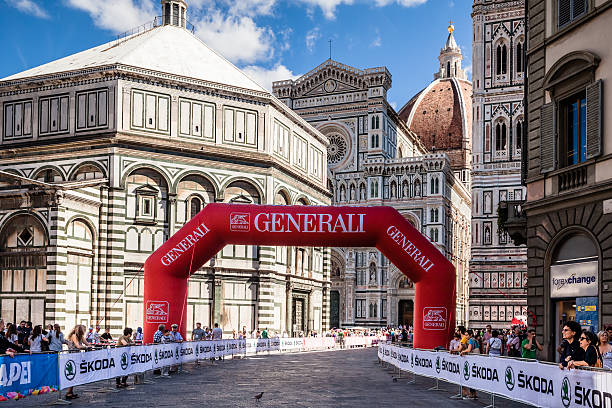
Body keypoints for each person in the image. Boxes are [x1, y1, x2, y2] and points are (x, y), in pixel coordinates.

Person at [65, 325, 91, 399]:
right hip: (72, 357)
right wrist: (87, 347)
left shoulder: (81, 337)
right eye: (83, 330)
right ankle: (68, 393)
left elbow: (87, 343)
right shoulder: (74, 336)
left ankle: (70, 392)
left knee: (75, 374)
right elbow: (78, 346)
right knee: (72, 374)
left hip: (77, 356)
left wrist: (91, 346)